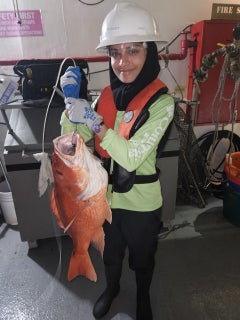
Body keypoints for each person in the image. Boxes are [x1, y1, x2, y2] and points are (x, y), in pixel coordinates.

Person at [60, 2, 175, 319]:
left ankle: (142, 297)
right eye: (114, 52)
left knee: (142, 257)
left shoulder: (163, 104)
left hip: (142, 202)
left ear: (149, 52)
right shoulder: (105, 98)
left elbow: (132, 156)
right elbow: (74, 138)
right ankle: (111, 288)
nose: (122, 62)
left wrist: (95, 122)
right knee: (110, 254)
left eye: (133, 50)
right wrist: (69, 105)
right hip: (105, 198)